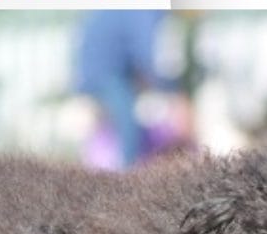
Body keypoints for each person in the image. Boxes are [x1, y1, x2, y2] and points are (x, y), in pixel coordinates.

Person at [74, 10, 194, 170]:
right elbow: (148, 56)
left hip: (112, 72)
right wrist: (173, 92)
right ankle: (128, 174)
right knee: (129, 123)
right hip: (103, 73)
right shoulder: (145, 12)